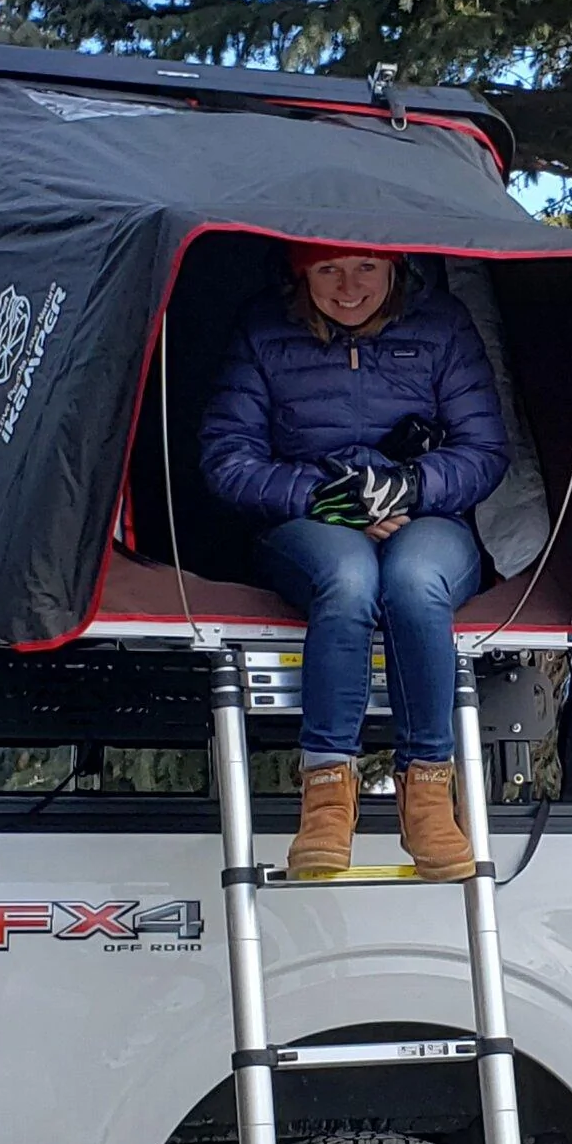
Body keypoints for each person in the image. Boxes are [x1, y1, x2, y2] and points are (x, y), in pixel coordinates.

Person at [202, 243, 510, 879]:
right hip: (309, 520)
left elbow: (484, 448)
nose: (349, 287)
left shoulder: (439, 323)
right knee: (348, 581)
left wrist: (412, 485)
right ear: (299, 273)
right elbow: (227, 458)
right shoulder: (265, 330)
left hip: (427, 517)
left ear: (393, 268)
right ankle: (325, 795)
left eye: (365, 267)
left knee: (415, 581)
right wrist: (324, 498)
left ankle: (427, 791)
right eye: (328, 270)